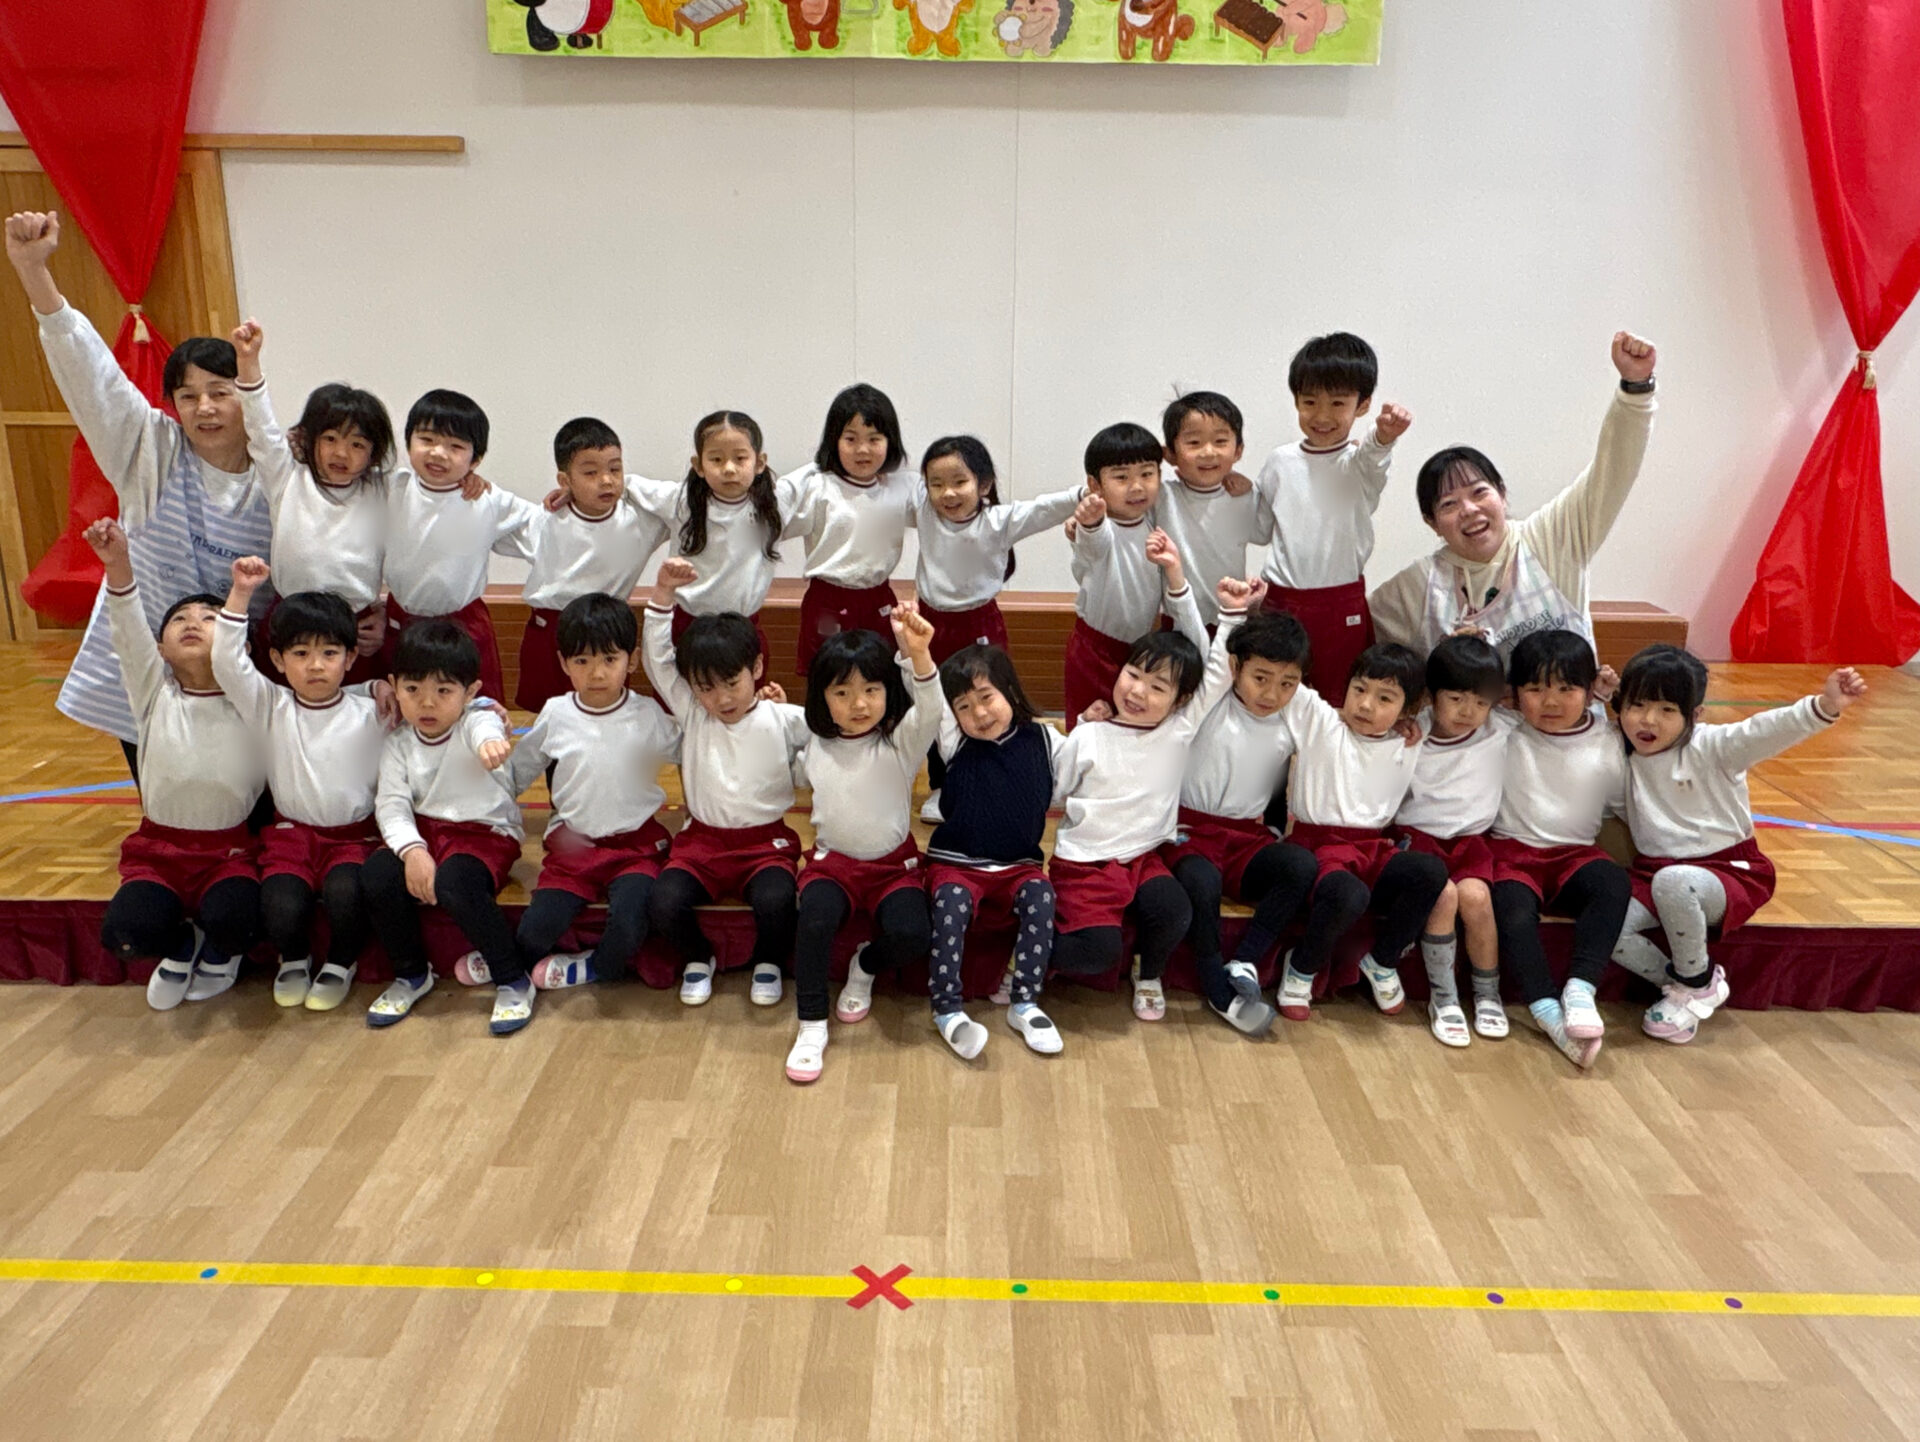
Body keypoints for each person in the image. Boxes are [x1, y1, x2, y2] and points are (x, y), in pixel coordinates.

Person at [6, 210, 272, 761]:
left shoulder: (280, 469)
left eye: (220, 392)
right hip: (148, 669)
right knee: (167, 800)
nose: (204, 407)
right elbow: (91, 376)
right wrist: (34, 272)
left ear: (247, 394)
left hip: (246, 673)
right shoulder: (149, 449)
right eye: (188, 396)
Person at [1611, 646, 1867, 1043]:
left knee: (1674, 882)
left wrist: (1825, 705)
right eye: (1637, 705)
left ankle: (1694, 981)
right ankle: (1682, 990)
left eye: (1666, 709)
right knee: (1607, 923)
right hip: (1654, 873)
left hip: (1728, 871)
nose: (1648, 720)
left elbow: (1765, 729)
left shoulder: (1714, 747)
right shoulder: (1619, 753)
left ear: (1695, 715)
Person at [1369, 332, 1658, 661]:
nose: (1469, 509)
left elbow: (1614, 468)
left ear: (1502, 494)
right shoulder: (1418, 587)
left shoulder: (1551, 540)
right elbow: (1356, 632)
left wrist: (1636, 389)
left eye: (1479, 492)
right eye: (1449, 504)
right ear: (1431, 523)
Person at [86, 519, 263, 1010]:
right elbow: (127, 631)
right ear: (161, 648)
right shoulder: (153, 695)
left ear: (239, 645)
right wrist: (118, 564)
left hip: (229, 854)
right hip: (159, 854)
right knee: (126, 933)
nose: (192, 622)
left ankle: (221, 950)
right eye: (180, 618)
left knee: (240, 919)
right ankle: (183, 943)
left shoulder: (257, 702)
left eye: (209, 617)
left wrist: (372, 687)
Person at [1047, 568, 1226, 1024]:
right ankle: (1026, 951)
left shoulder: (1178, 731)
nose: (1138, 691)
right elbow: (1054, 790)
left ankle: (1149, 973)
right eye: (1133, 674)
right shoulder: (1090, 735)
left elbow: (1218, 674)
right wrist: (1080, 727)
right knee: (1097, 951)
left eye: (1158, 687)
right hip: (1086, 863)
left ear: (1180, 701)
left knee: (1174, 910)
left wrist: (1232, 615)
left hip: (1142, 859)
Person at [213, 558, 385, 1011]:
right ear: (277, 660)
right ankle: (293, 958)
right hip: (292, 839)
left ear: (350, 658)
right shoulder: (271, 706)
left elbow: (434, 703)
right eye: (301, 654)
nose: (315, 666)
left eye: (329, 653)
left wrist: (487, 710)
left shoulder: (373, 711)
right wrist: (241, 593)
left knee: (348, 895)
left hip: (355, 839)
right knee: (280, 904)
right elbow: (227, 662)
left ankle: (341, 961)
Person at [786, 605, 943, 1082]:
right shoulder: (814, 744)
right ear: (822, 697)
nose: (859, 703)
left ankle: (865, 965)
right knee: (814, 921)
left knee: (913, 934)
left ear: (887, 691)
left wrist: (918, 655)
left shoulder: (900, 742)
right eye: (843, 692)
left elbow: (931, 709)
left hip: (893, 868)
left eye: (871, 689)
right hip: (833, 865)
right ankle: (811, 1024)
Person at [643, 558, 810, 1008]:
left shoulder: (784, 717)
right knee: (664, 901)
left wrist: (797, 768)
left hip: (765, 843)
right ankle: (699, 957)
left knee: (777, 900)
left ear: (757, 667)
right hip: (702, 844)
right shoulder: (694, 714)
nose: (721, 698)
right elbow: (658, 662)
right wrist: (662, 596)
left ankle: (768, 960)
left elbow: (830, 743)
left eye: (732, 683)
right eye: (706, 688)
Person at [506, 594, 680, 991]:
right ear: (564, 663)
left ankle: (593, 965)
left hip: (636, 849)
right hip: (573, 851)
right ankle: (504, 958)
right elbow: (518, 770)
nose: (596, 673)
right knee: (534, 931)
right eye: (582, 661)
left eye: (609, 659)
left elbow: (694, 751)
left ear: (632, 661)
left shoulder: (647, 714)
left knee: (631, 923)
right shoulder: (556, 713)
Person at [1160, 600, 1318, 1037]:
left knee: (1300, 865)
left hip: (1246, 839)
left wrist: (1406, 726)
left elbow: (1347, 729)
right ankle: (1215, 984)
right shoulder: (1208, 702)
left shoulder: (1295, 717)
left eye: (1287, 683)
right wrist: (1230, 613)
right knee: (1202, 881)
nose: (1272, 694)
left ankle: (1246, 959)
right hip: (1189, 831)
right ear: (1235, 667)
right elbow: (1202, 643)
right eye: (1260, 678)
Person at [362, 622, 525, 1033]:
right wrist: (413, 851)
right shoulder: (397, 744)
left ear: (470, 693)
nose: (427, 702)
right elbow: (392, 806)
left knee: (456, 882)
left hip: (484, 833)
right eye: (413, 689)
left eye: (444, 690)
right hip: (427, 832)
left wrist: (490, 742)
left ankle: (512, 978)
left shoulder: (476, 720)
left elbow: (485, 727)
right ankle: (412, 974)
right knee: (378, 874)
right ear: (395, 686)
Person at [1270, 645, 1445, 1023]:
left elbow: (1454, 696)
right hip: (1318, 847)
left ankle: (1382, 961)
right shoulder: (1321, 723)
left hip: (1372, 849)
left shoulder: (1409, 738)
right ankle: (1301, 967)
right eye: (1359, 689)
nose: (1365, 705)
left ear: (1409, 709)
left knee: (1430, 873)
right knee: (1348, 893)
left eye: (1385, 698)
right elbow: (1285, 675)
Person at [911, 434, 1080, 821]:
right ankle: (943, 785)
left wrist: (1083, 493)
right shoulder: (923, 511)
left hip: (979, 622)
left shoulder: (998, 521)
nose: (947, 493)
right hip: (932, 623)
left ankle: (1001, 776)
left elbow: (1043, 509)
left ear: (984, 484)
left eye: (959, 482)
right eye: (936, 484)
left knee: (990, 702)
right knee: (936, 707)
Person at [1488, 630, 1631, 1069]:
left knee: (1611, 883)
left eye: (1566, 689)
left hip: (1574, 855)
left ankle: (1581, 988)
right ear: (1513, 695)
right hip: (1511, 854)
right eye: (1535, 689)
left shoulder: (1607, 739)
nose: (1550, 702)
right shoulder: (1502, 728)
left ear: (1589, 691)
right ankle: (1545, 1008)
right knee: (1511, 910)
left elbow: (1626, 807)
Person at [229, 317, 395, 684]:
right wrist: (248, 362)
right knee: (284, 712)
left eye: (357, 444)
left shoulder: (384, 491)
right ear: (309, 439)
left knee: (355, 712)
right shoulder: (287, 477)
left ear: (373, 453)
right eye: (330, 439)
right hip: (292, 622)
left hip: (355, 630)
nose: (341, 453)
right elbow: (261, 429)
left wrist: (469, 479)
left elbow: (434, 486)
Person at [1251, 333, 1412, 694]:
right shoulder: (1279, 462)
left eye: (1338, 403)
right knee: (1271, 698)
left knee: (1338, 696)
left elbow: (1373, 455)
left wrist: (1384, 436)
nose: (1322, 415)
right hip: (1281, 601)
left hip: (1340, 604)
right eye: (1309, 401)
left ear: (1362, 405)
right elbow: (1259, 529)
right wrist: (1235, 491)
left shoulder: (1357, 463)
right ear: (1296, 400)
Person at [924, 646, 1066, 1057]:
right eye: (964, 707)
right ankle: (946, 1008)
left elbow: (1089, 767)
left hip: (1018, 866)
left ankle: (1025, 1002)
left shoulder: (1047, 740)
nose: (980, 714)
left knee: (1042, 895)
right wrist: (915, 652)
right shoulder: (954, 741)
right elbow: (927, 689)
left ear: (1010, 690)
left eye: (987, 697)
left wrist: (1096, 722)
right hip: (956, 864)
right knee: (952, 903)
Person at [1392, 635, 1514, 1047]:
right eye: (1456, 699)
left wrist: (1601, 695)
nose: (1468, 711)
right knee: (1442, 897)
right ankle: (1443, 999)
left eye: (1480, 702)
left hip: (1471, 842)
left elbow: (1554, 718)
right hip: (1418, 841)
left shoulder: (1498, 729)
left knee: (1476, 898)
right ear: (1431, 696)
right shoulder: (1412, 733)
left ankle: (1487, 994)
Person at [379, 388, 537, 704]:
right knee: (402, 712)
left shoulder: (486, 500)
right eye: (427, 439)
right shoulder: (391, 488)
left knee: (478, 713)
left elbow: (546, 524)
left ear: (475, 459)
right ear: (408, 443)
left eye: (456, 446)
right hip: (402, 620)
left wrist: (568, 496)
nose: (438, 453)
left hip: (465, 625)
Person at [513, 417, 669, 713]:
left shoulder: (641, 520)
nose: (606, 480)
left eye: (615, 469)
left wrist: (629, 485)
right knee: (546, 719)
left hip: (608, 632)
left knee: (608, 716)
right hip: (550, 630)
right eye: (590, 472)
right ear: (564, 480)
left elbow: (686, 500)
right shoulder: (546, 519)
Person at [1063, 423, 1192, 728]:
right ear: (1095, 485)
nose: (1136, 487)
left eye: (1147, 474)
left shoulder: (1152, 520)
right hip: (1095, 650)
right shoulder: (1100, 527)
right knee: (1090, 725)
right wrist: (1088, 523)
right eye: (1121, 477)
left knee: (1136, 728)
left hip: (1141, 649)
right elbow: (1092, 544)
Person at [785, 384, 917, 671]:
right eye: (850, 438)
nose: (863, 449)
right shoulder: (817, 486)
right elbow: (772, 521)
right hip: (827, 598)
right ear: (834, 440)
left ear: (890, 441)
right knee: (828, 677)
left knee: (882, 676)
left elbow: (942, 512)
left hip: (878, 597)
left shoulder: (901, 488)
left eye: (874, 438)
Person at [661, 410, 807, 655]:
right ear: (698, 465)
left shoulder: (775, 502)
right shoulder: (681, 501)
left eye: (740, 458)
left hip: (744, 627)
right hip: (690, 626)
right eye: (716, 459)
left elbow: (814, 472)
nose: (729, 468)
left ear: (759, 463)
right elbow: (628, 487)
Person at [1153, 390, 1262, 630]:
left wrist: (1251, 491)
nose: (1208, 452)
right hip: (1177, 621)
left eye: (1220, 441)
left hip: (1233, 617)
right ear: (1169, 454)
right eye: (1194, 442)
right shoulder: (1162, 497)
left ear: (1238, 451)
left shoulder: (1242, 497)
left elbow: (1264, 535)